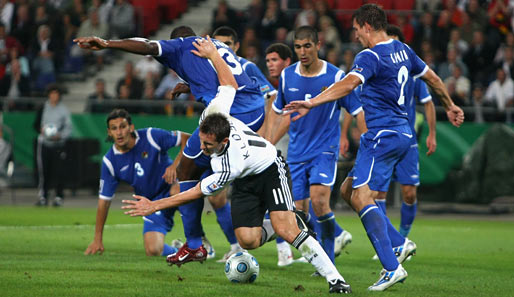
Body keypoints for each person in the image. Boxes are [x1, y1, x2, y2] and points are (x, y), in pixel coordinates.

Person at [122, 37, 351, 293]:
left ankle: (336, 280)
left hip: (270, 169)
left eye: (209, 146)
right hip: (247, 179)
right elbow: (229, 83)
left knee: (287, 229)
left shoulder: (228, 166)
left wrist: (154, 205)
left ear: (225, 140)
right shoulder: (216, 112)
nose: (203, 149)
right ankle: (291, 218)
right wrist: (213, 55)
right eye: (203, 142)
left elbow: (196, 191)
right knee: (248, 240)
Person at [285, 4, 464, 291]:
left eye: (356, 30)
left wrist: (312, 101)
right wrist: (451, 105)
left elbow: (348, 84)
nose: (355, 36)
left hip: (381, 135)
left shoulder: (369, 55)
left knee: (360, 196)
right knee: (347, 190)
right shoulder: (404, 50)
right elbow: (433, 79)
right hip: (401, 134)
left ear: (367, 26)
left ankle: (392, 267)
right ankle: (398, 242)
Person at [74, 26, 263, 264]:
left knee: (187, 169)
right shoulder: (213, 46)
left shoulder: (179, 46)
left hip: (234, 113)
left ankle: (195, 244)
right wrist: (191, 86)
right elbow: (220, 74)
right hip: (255, 110)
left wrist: (107, 43)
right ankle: (237, 228)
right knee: (215, 184)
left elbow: (146, 45)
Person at [269, 26, 365, 267]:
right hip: (296, 153)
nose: (303, 51)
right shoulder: (287, 76)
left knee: (320, 201)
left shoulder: (335, 77)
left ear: (318, 45)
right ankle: (333, 239)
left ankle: (328, 261)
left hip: (324, 150)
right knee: (299, 212)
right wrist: (268, 142)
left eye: (307, 46)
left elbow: (357, 110)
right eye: (298, 46)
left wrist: (366, 145)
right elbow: (281, 113)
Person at [84, 108, 190, 257]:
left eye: (122, 126)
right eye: (114, 128)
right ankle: (180, 250)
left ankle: (198, 242)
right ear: (109, 132)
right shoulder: (110, 162)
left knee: (180, 191)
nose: (119, 132)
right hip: (150, 202)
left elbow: (187, 139)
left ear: (131, 127)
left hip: (172, 187)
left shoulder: (150, 136)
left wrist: (176, 166)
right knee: (153, 250)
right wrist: (97, 239)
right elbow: (104, 202)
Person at [371, 25, 437, 243]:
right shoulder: (378, 70)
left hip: (406, 139)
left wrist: (432, 134)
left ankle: (404, 235)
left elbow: (427, 103)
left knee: (409, 193)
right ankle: (391, 241)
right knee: (378, 194)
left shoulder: (413, 74)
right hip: (384, 137)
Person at [34, 84, 72, 207]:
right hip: (44, 144)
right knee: (44, 171)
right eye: (52, 93)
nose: (54, 96)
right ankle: (43, 196)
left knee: (59, 171)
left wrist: (60, 136)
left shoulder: (63, 110)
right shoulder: (43, 107)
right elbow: (36, 124)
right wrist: (41, 130)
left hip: (58, 145)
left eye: (56, 94)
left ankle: (58, 196)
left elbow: (68, 127)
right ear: (49, 95)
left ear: (59, 96)